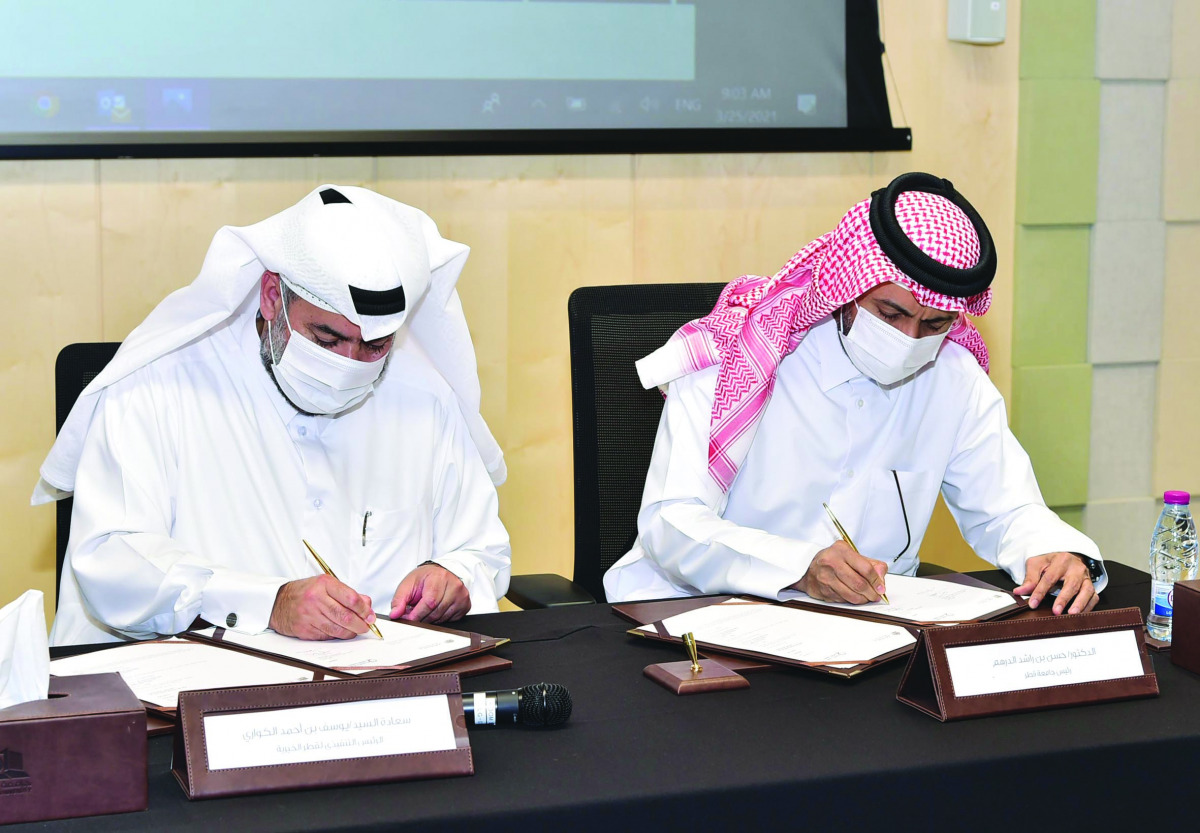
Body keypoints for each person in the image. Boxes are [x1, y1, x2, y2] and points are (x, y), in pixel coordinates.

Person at [604, 172, 1104, 615]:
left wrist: (1051, 551)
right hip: (704, 618)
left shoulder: (953, 376)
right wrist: (798, 566)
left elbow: (1007, 508)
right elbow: (671, 524)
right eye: (890, 314)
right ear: (847, 288)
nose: (910, 339)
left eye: (934, 323)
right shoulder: (739, 354)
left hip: (869, 635)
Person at [37, 185, 511, 645]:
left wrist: (454, 575)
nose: (349, 362)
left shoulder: (423, 394)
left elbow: (483, 548)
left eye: (375, 346)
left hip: (382, 693)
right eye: (327, 340)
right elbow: (114, 560)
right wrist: (268, 602)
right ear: (271, 297)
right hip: (197, 689)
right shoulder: (158, 387)